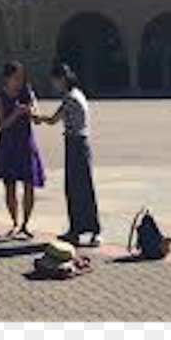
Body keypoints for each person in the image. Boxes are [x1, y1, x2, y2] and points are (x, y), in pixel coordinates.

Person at [34, 62, 102, 248]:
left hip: (76, 144)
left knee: (77, 188)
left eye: (55, 81)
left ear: (62, 79)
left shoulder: (70, 98)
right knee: (81, 187)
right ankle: (81, 229)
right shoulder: (77, 94)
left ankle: (85, 230)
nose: (53, 85)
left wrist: (35, 116)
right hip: (79, 143)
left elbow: (53, 120)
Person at [0, 61, 45, 239]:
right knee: (10, 186)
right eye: (16, 78)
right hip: (8, 144)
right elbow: (2, 124)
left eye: (21, 78)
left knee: (30, 184)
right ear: (7, 78)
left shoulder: (27, 93)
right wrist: (16, 113)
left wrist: (32, 112)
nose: (19, 82)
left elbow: (37, 117)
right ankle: (14, 223)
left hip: (26, 144)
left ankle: (26, 224)